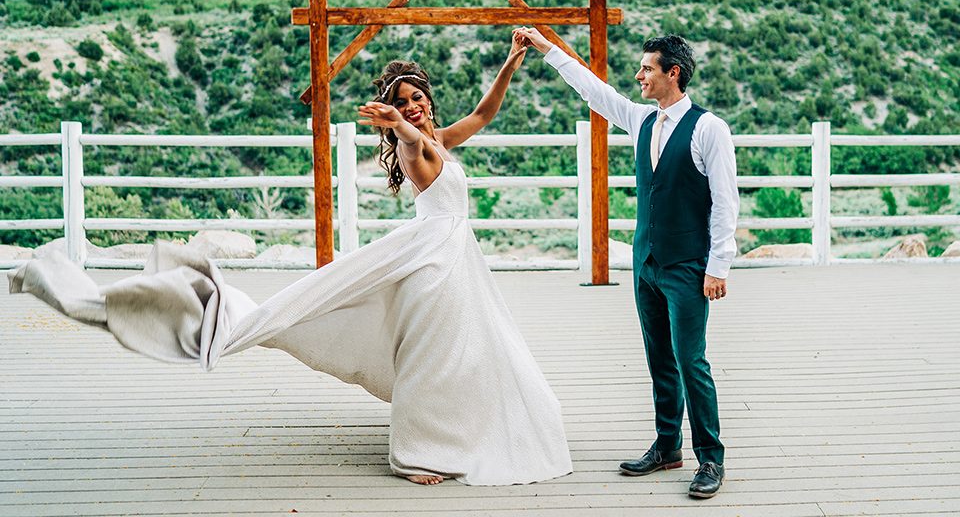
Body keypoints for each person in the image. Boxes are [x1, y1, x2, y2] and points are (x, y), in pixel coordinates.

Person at [8, 32, 573, 487]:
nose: (413, 106)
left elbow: (483, 113)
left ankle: (458, 432)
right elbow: (408, 141)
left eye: (417, 97)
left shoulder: (442, 138)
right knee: (431, 355)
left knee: (468, 351)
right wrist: (397, 124)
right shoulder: (415, 144)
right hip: (433, 268)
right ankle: (417, 454)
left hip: (455, 262)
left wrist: (511, 62)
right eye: (403, 102)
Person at [514, 27, 738, 499]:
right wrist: (545, 47)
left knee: (690, 360)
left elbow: (725, 201)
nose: (638, 76)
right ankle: (667, 446)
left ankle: (711, 459)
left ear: (672, 74)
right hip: (647, 263)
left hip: (688, 267)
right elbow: (593, 90)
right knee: (659, 359)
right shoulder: (640, 120)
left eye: (647, 69)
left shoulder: (708, 128)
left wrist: (719, 265)